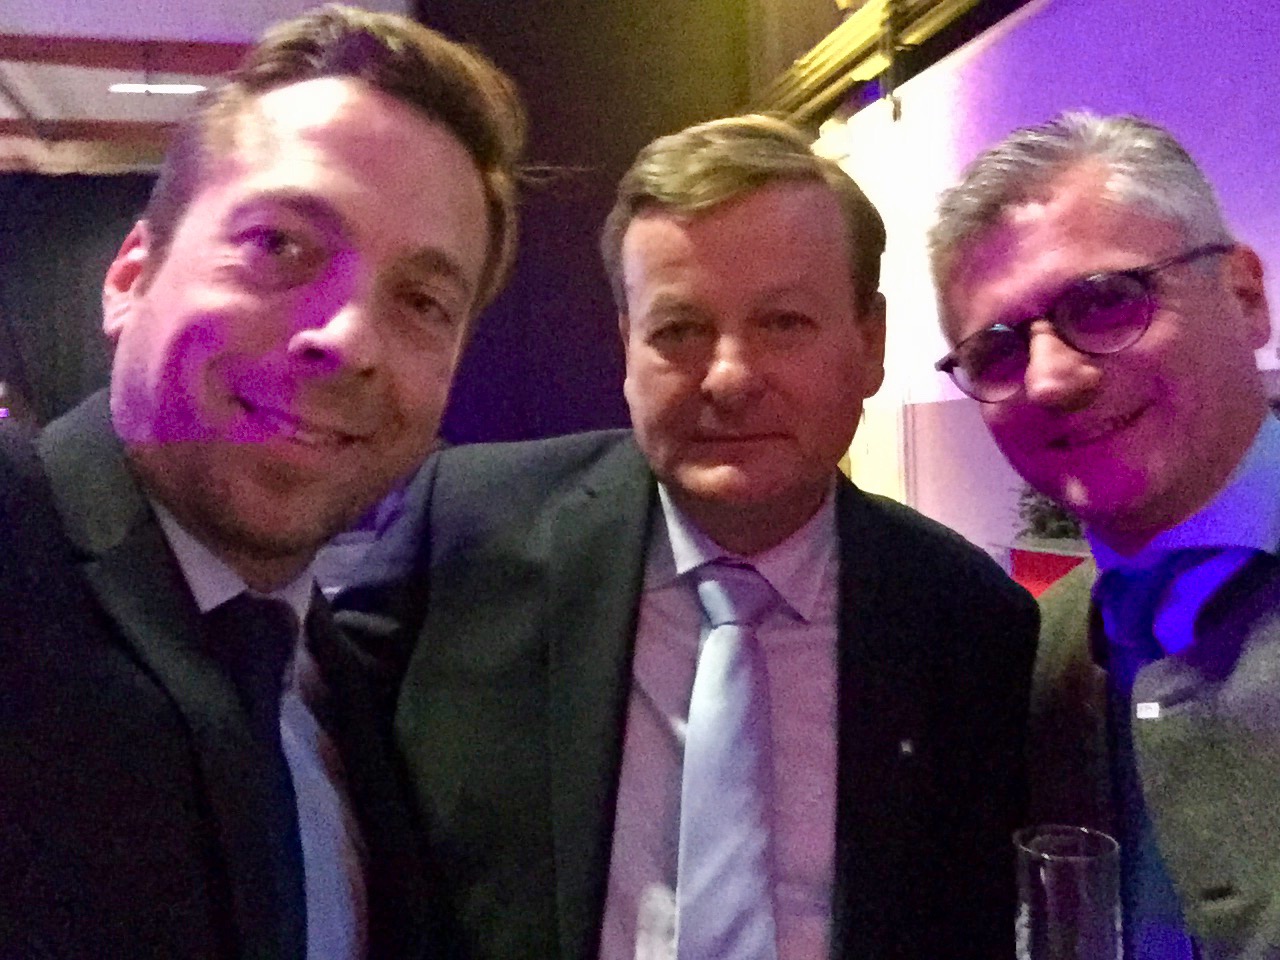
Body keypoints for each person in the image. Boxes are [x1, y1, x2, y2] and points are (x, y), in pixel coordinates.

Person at [338, 113, 1038, 960]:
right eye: (678, 330)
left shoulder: (969, 623)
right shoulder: (466, 531)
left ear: (870, 344)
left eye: (784, 322)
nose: (730, 377)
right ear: (626, 347)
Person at [0, 6, 524, 958]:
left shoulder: (348, 704)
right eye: (281, 245)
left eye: (422, 301)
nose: (350, 339)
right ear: (130, 277)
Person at [930, 111, 1277, 959]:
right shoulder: (1037, 655)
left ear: (1245, 296)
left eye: (1105, 302)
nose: (1049, 379)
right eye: (997, 352)